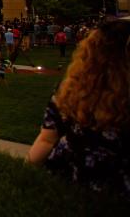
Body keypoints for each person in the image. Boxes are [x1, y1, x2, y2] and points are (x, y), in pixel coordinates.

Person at [26, 19, 130, 198]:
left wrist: (24, 174)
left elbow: (46, 139)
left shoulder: (71, 88)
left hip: (66, 180)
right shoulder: (72, 88)